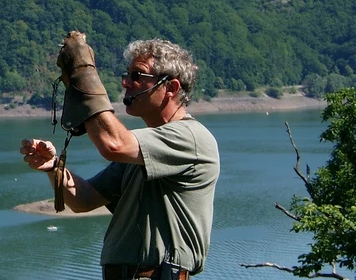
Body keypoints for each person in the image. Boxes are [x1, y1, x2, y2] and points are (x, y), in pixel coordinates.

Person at [20, 32, 219, 280]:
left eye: (137, 76)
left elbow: (112, 144)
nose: (125, 83)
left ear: (171, 87)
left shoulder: (191, 137)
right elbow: (83, 200)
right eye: (127, 75)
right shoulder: (144, 149)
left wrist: (83, 72)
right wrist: (54, 168)